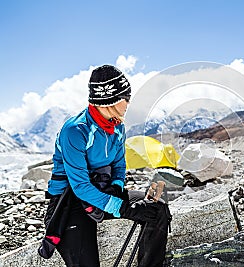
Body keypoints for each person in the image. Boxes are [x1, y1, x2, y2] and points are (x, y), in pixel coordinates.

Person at [40, 65, 170, 267]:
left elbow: (119, 165)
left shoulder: (118, 127)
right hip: (69, 203)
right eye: (126, 97)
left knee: (156, 209)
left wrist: (115, 190)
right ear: (112, 100)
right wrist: (123, 208)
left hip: (103, 191)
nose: (129, 102)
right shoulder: (75, 131)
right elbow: (80, 187)